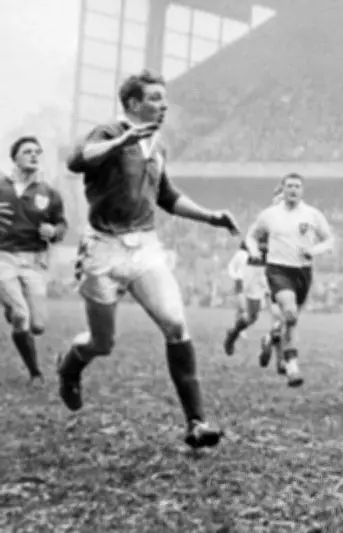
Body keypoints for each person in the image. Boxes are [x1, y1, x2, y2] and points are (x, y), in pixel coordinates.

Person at [59, 69, 239, 449]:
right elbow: (76, 160)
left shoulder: (158, 143)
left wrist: (211, 216)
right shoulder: (108, 132)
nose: (164, 104)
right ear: (132, 103)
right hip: (103, 249)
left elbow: (166, 195)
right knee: (102, 342)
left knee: (175, 324)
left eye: (165, 97)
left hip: (144, 248)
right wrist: (121, 140)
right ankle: (72, 364)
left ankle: (196, 422)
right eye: (155, 98)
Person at [245, 173, 334, 387]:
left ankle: (272, 338)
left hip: (303, 272)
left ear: (302, 190)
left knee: (290, 319)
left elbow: (329, 240)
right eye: (289, 186)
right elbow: (251, 236)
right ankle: (292, 364)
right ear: (283, 189)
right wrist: (254, 250)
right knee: (290, 313)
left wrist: (313, 250)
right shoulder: (269, 215)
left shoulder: (312, 214)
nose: (293, 190)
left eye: (297, 186)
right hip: (278, 270)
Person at [0, 136, 67, 384]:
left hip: (34, 261)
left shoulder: (48, 192)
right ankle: (35, 373)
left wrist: (54, 231)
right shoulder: (1, 187)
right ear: (14, 157)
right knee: (21, 316)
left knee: (37, 325)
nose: (34, 155)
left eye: (37, 152)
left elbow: (62, 224)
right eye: (27, 151)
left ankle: (11, 306)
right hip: (3, 257)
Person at [222, 240, 283, 369]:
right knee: (251, 317)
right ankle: (233, 333)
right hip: (257, 269)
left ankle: (279, 359)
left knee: (281, 315)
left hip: (275, 269)